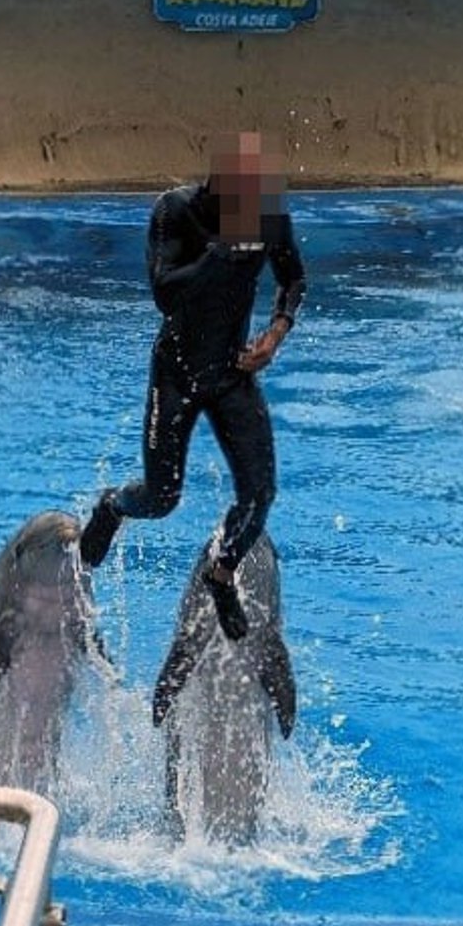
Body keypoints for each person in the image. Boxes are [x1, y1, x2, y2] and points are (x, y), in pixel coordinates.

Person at [79, 130, 305, 640]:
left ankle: (221, 571)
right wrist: (220, 253)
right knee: (162, 498)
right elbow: (165, 293)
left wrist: (275, 333)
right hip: (177, 373)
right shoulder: (175, 211)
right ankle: (113, 507)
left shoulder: (266, 213)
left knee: (260, 493)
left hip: (231, 372)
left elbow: (294, 279)